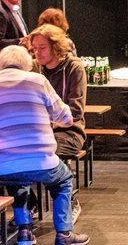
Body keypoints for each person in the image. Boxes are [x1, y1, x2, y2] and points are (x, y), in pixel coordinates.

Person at [0, 46, 88, 245]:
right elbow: (66, 118)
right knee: (63, 181)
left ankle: (25, 232)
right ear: (27, 64)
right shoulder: (38, 80)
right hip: (41, 160)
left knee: (16, 181)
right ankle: (64, 234)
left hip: (2, 163)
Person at [30, 24, 87, 160]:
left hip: (68, 131)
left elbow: (76, 111)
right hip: (38, 130)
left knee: (48, 154)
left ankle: (60, 179)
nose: (37, 52)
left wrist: (49, 122)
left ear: (55, 47)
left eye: (42, 48)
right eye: (34, 48)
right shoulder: (33, 67)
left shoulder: (74, 67)